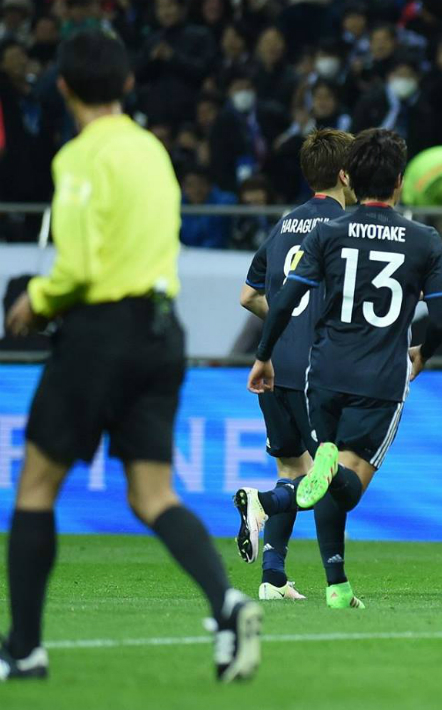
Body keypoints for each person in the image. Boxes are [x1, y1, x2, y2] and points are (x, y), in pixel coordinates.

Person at [1, 30, 260, 682]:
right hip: (160, 331)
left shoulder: (80, 156)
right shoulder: (153, 151)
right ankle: (228, 604)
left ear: (62, 88)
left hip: (100, 332)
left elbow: (81, 266)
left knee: (35, 487)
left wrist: (38, 299)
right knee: (153, 495)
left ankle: (24, 648)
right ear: (125, 86)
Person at [245, 129, 442, 609]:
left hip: (320, 376)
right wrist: (422, 353)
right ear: (400, 182)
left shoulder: (324, 232)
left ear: (351, 177)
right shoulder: (423, 239)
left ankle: (334, 584)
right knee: (348, 483)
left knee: (317, 468)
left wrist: (264, 355)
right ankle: (281, 509)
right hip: (378, 379)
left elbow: (280, 302)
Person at [234, 129, 355, 601]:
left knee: (292, 466)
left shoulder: (284, 225)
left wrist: (282, 328)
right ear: (346, 175)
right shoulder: (344, 226)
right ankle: (265, 510)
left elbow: (248, 296)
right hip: (315, 370)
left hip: (274, 364)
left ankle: (273, 576)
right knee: (332, 474)